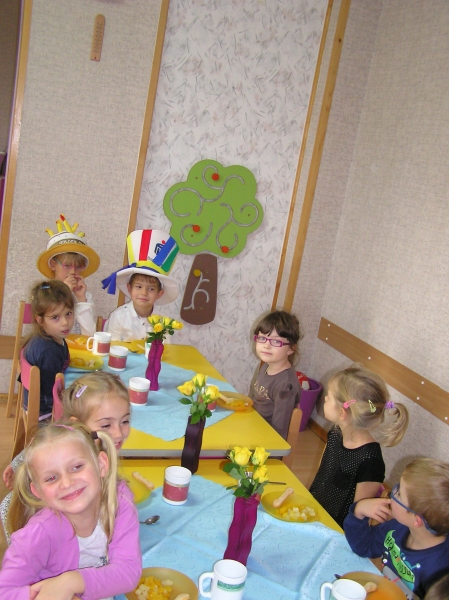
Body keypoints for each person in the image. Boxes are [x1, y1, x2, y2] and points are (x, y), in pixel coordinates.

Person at [0, 422, 141, 599]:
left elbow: (128, 570)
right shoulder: (37, 534)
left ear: (101, 465)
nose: (67, 483)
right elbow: (4, 591)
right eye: (52, 478)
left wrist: (70, 582)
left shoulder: (119, 500)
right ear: (38, 491)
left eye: (77, 467)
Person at [2, 372, 131, 543]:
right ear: (78, 423)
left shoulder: (78, 441)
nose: (118, 433)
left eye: (125, 421)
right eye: (106, 425)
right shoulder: (67, 461)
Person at [309, 364, 409, 527]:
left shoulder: (370, 460)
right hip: (315, 513)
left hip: (338, 529)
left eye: (329, 397)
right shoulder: (335, 433)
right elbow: (322, 477)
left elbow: (359, 513)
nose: (325, 398)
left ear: (342, 413)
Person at [344, 458, 449, 600]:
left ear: (416, 520)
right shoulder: (398, 527)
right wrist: (358, 512)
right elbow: (364, 546)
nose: (392, 493)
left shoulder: (439, 570)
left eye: (399, 493)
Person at [102, 229, 180, 341]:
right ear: (129, 288)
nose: (144, 293)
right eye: (139, 287)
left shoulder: (163, 321)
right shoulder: (118, 317)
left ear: (159, 294)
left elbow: (164, 348)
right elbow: (110, 347)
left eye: (151, 289)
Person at [37, 214, 100, 336]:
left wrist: (81, 300)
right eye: (67, 266)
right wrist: (65, 292)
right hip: (52, 346)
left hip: (77, 347)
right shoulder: (44, 292)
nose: (72, 272)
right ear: (53, 264)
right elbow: (46, 333)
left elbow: (90, 334)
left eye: (78, 267)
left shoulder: (84, 296)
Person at [248, 310, 303, 440]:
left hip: (264, 439)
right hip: (252, 425)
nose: (266, 346)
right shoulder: (266, 366)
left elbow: (279, 430)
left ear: (291, 348)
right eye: (262, 338)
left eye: (276, 342)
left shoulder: (286, 386)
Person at [24, 280, 74, 417]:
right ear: (40, 320)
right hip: (43, 413)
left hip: (39, 404)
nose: (65, 323)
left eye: (68, 313)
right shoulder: (48, 352)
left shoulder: (54, 336)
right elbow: (51, 396)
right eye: (55, 317)